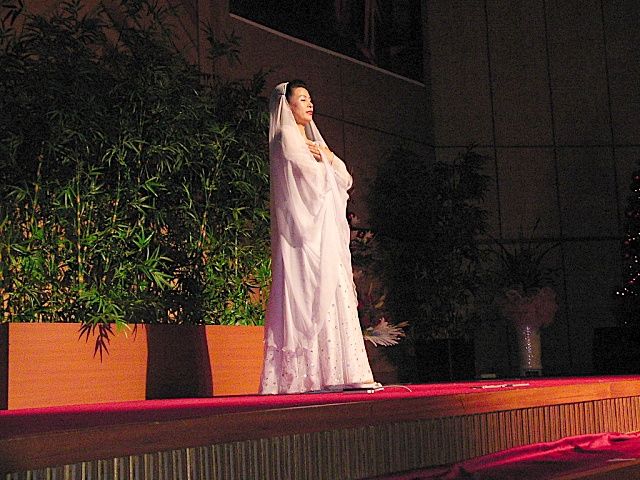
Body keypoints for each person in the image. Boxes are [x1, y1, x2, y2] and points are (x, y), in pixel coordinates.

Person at [259, 80, 377, 394]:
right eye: (302, 99)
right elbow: (312, 180)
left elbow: (344, 179)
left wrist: (327, 156)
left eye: (310, 98)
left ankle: (341, 370)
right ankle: (307, 376)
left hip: (323, 233)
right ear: (287, 106)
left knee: (334, 290)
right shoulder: (285, 137)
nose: (309, 104)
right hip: (303, 236)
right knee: (307, 297)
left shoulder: (313, 143)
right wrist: (324, 164)